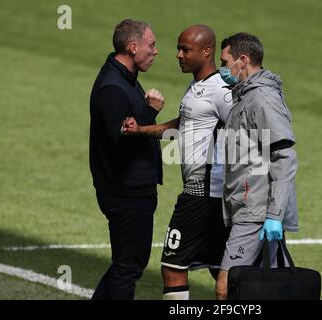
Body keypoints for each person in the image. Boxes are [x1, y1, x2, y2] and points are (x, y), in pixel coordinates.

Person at [123, 25, 232, 300]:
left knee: (173, 268)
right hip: (210, 195)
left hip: (202, 194)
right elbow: (185, 125)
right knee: (221, 269)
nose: (178, 55)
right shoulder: (197, 85)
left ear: (207, 51)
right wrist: (143, 131)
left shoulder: (221, 90)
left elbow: (246, 129)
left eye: (186, 50)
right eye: (179, 49)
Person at [215, 33, 298, 300]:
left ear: (243, 60)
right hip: (247, 204)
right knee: (267, 287)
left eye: (224, 62)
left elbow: (284, 157)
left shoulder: (262, 99)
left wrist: (274, 215)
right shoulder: (246, 95)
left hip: (256, 209)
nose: (222, 69)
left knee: (225, 285)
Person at [89, 19, 164, 299]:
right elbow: (120, 144)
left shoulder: (123, 78)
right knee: (128, 267)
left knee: (128, 264)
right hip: (124, 192)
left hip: (133, 190)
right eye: (151, 44)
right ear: (133, 47)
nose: (156, 51)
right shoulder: (113, 88)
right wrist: (149, 111)